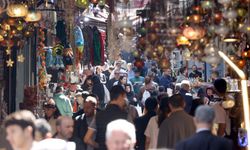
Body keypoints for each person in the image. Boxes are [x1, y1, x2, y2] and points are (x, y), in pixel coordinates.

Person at [84, 85, 128, 150]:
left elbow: (87, 139)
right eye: (125, 97)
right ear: (122, 96)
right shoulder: (126, 116)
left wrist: (99, 146)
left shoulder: (98, 115)